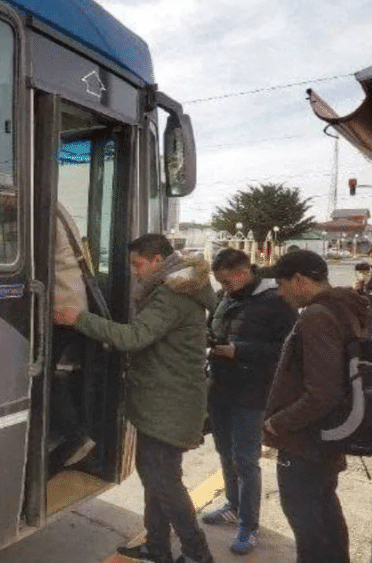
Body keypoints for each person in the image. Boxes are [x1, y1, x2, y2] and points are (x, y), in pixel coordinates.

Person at [55, 234, 215, 563]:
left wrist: (79, 318)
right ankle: (157, 547)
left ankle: (197, 553)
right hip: (160, 401)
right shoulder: (169, 288)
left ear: (158, 260)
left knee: (165, 483)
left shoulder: (173, 295)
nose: (135, 272)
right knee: (154, 477)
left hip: (169, 404)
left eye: (138, 265)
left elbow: (134, 337)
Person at [264, 250, 371, 563]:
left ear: (299, 280)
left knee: (309, 524)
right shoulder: (343, 307)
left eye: (282, 285)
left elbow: (321, 393)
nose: (281, 294)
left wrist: (277, 423)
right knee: (324, 514)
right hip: (326, 436)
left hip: (306, 441)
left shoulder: (317, 315)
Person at [199, 249, 297, 556]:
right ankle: (233, 504)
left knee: (245, 459)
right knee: (224, 452)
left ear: (244, 273)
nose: (223, 288)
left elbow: (286, 352)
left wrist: (239, 350)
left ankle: (248, 525)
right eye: (221, 284)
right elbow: (217, 327)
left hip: (253, 393)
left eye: (227, 282)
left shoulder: (278, 301)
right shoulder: (227, 296)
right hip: (221, 386)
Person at [47, 202, 95, 468]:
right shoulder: (55, 207)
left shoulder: (42, 208)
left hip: (62, 308)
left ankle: (75, 436)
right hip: (65, 305)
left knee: (45, 377)